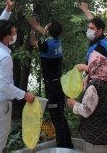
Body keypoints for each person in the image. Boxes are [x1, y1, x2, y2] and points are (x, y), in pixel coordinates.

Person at [0, 0, 35, 153]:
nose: (15, 34)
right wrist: (25, 95)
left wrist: (8, 9)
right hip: (0, 104)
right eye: (13, 33)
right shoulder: (4, 57)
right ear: (7, 38)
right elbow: (5, 85)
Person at [27, 17, 74, 149]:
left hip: (52, 87)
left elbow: (32, 41)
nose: (46, 25)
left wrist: (32, 29)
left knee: (56, 119)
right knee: (61, 116)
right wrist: (40, 28)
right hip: (59, 84)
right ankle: (68, 146)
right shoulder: (57, 42)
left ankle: (62, 148)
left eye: (48, 25)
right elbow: (43, 31)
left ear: (49, 30)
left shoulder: (46, 45)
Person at [67, 51, 107, 153]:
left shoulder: (94, 86)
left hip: (96, 141)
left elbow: (86, 110)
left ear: (93, 67)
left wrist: (74, 105)